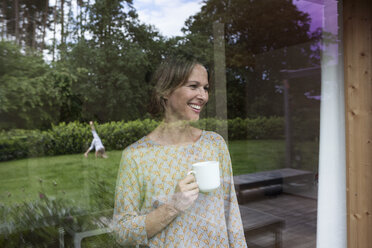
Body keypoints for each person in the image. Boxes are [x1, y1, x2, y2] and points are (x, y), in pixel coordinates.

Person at [113, 57, 247, 247]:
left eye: (205, 88)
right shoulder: (136, 156)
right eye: (194, 86)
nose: (203, 96)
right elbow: (122, 233)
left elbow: (231, 214)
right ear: (166, 91)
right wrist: (173, 206)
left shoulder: (214, 144)